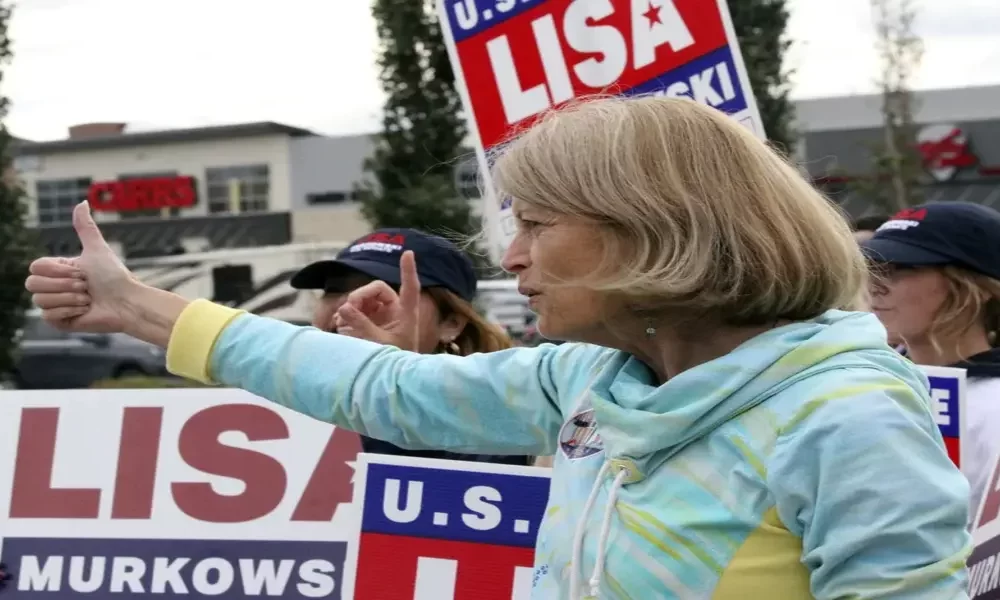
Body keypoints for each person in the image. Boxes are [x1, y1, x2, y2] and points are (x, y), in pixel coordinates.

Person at [27, 96, 970, 599]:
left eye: (538, 223)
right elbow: (379, 387)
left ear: (656, 230)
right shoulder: (593, 378)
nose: (509, 257)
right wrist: (139, 307)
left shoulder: (847, 419)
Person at [289, 227, 532, 467]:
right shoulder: (278, 396)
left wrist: (393, 387)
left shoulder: (498, 429)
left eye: (384, 288)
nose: (349, 302)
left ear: (451, 324)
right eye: (334, 289)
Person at [863, 201, 1000, 515]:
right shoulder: (861, 381)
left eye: (902, 268)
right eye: (873, 267)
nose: (876, 286)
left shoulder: (993, 402)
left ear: (971, 284)